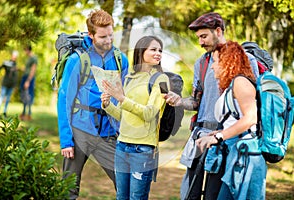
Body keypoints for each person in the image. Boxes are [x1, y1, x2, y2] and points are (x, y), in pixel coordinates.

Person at [165, 12, 259, 199]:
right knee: (190, 193)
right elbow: (197, 101)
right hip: (201, 135)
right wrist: (180, 101)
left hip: (226, 140)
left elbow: (250, 108)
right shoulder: (202, 62)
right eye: (198, 37)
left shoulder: (244, 60)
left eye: (204, 36)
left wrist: (222, 135)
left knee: (213, 194)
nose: (200, 42)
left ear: (218, 31)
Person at [57, 9, 129, 200]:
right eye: (103, 36)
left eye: (111, 35)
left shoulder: (121, 60)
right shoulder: (77, 60)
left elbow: (125, 97)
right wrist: (66, 140)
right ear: (91, 35)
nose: (108, 40)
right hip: (79, 130)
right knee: (68, 190)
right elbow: (64, 99)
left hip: (108, 132)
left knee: (125, 184)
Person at [101, 35, 170, 200]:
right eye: (153, 49)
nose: (158, 53)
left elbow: (149, 114)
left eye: (160, 50)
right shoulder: (129, 78)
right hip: (122, 146)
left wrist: (122, 98)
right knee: (121, 196)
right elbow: (122, 115)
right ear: (141, 51)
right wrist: (108, 104)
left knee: (137, 197)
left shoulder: (161, 79)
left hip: (143, 149)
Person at [196, 40, 267, 199]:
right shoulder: (232, 85)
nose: (212, 66)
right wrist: (220, 132)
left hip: (246, 154)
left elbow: (250, 118)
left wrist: (218, 136)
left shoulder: (240, 82)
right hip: (236, 151)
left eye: (215, 62)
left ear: (228, 61)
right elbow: (237, 119)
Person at [0, 50, 19, 119]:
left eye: (16, 56)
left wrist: (15, 85)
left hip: (11, 85)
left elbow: (15, 77)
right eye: (14, 56)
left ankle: (4, 112)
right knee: (1, 97)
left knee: (7, 99)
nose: (14, 57)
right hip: (5, 84)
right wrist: (2, 65)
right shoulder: (7, 63)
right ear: (12, 56)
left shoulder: (15, 65)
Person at [19, 44, 37, 121]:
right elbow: (27, 69)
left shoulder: (34, 58)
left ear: (28, 49)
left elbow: (33, 70)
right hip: (25, 77)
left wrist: (28, 81)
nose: (24, 51)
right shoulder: (28, 58)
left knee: (29, 96)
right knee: (24, 95)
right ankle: (23, 113)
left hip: (29, 79)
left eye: (25, 49)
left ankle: (29, 114)